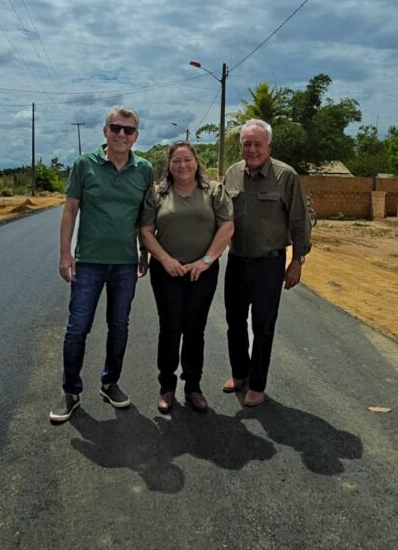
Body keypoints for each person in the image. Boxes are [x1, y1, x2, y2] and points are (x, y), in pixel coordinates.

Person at [49, 106, 153, 423]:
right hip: (89, 262)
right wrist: (65, 254)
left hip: (125, 263)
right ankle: (71, 392)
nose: (122, 134)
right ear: (105, 131)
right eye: (116, 128)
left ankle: (109, 383)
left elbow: (146, 217)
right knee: (78, 327)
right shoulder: (85, 165)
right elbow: (70, 211)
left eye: (128, 130)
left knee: (119, 326)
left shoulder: (144, 169)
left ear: (136, 136)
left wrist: (144, 253)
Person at [139, 141, 234, 413]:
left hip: (201, 273)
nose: (182, 165)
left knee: (195, 329)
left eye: (187, 159)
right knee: (169, 328)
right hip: (166, 271)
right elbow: (145, 230)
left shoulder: (213, 191)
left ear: (196, 162)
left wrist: (205, 262)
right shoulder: (157, 194)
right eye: (176, 160)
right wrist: (166, 260)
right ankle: (166, 387)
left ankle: (193, 386)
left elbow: (227, 226)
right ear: (169, 165)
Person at [222, 119, 311, 407]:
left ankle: (257, 385)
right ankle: (239, 373)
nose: (252, 149)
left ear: (269, 146)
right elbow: (221, 217)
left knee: (263, 326)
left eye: (258, 144)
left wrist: (297, 260)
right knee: (234, 323)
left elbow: (299, 221)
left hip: (269, 265)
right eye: (247, 144)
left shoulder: (286, 176)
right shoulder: (232, 174)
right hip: (236, 260)